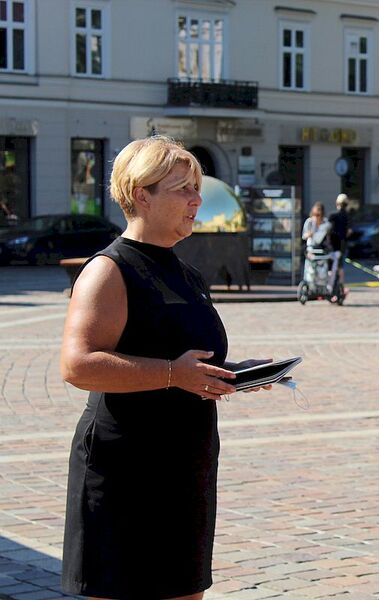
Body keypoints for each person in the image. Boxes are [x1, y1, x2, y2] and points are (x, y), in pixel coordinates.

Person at [59, 136, 272, 600]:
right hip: (125, 469)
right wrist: (173, 374)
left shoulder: (184, 271)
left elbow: (182, 356)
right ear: (142, 195)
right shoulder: (109, 269)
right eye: (183, 189)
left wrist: (234, 373)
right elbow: (78, 365)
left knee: (184, 589)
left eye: (197, 188)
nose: (197, 200)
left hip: (186, 464)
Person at [327, 193, 351, 298]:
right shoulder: (347, 217)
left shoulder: (332, 216)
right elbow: (349, 232)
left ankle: (329, 287)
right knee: (340, 267)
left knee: (330, 267)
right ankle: (341, 288)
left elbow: (327, 230)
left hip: (331, 245)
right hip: (342, 245)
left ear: (337, 203)